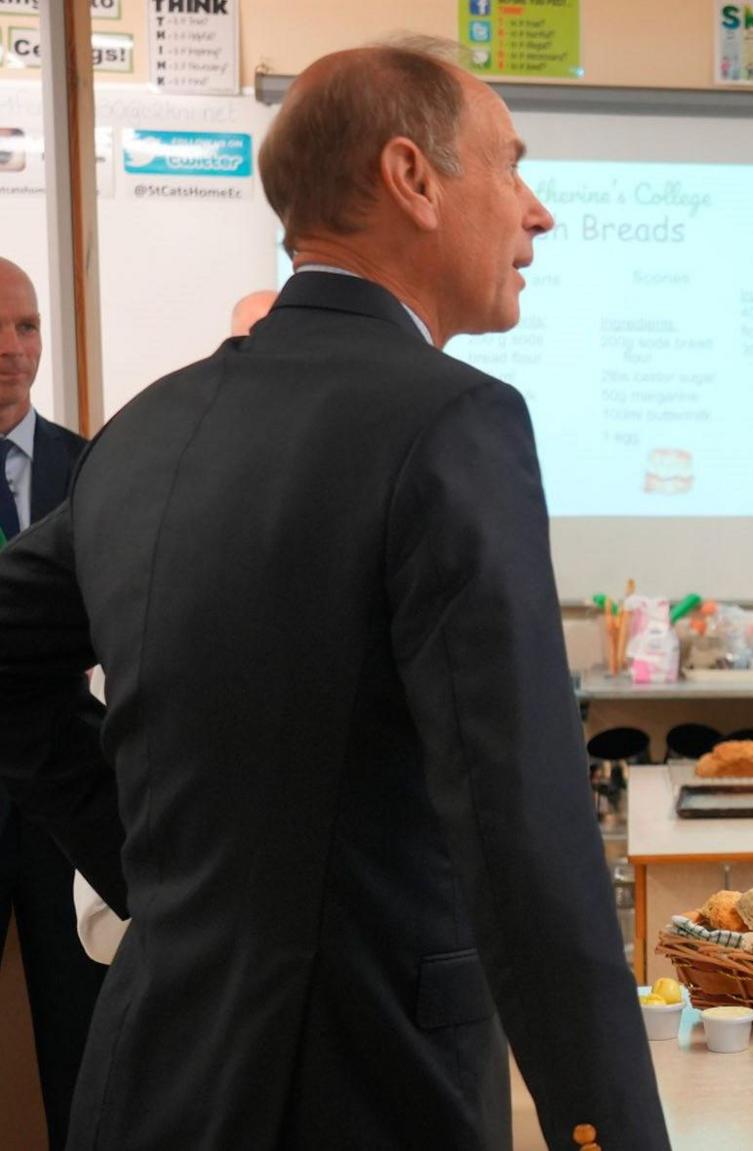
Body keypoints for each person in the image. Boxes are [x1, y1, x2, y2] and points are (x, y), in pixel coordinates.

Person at [0, 40, 666, 1149]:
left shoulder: (147, 430)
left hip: (151, 1075)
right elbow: (525, 827)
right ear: (411, 176)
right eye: (510, 166)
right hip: (364, 1089)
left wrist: (156, 871)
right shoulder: (453, 422)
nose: (536, 212)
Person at [0, 256, 101, 1150]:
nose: (10, 349)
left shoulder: (95, 466)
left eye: (27, 327)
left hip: (65, 803)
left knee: (82, 1027)